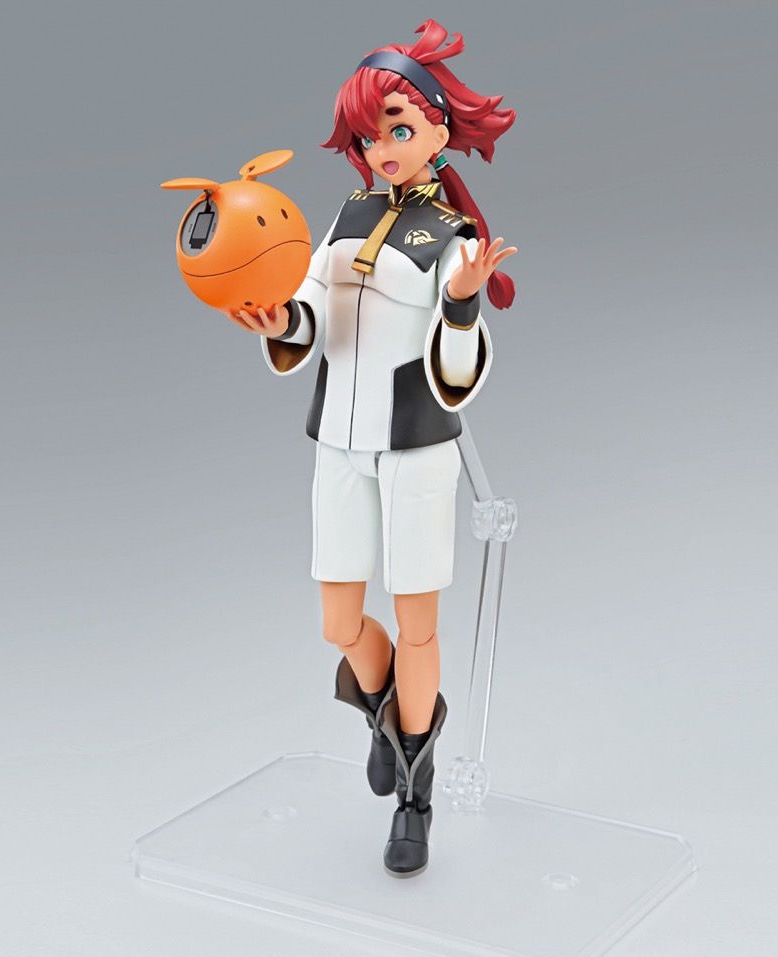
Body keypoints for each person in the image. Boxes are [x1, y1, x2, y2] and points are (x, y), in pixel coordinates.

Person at [228, 18, 517, 877]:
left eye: (397, 129)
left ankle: (415, 798)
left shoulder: (454, 238)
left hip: (416, 447)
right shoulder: (348, 215)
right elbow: (312, 311)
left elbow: (460, 370)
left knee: (419, 628)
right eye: (367, 135)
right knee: (339, 621)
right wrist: (280, 320)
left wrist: (462, 303)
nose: (381, 149)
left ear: (438, 128)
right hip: (338, 442)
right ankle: (392, 718)